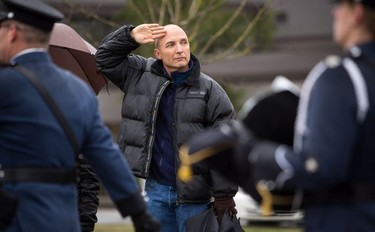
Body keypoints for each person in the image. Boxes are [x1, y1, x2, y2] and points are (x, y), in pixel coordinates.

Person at [182, 0, 375, 231]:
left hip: (348, 220)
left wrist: (252, 153)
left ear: (357, 13)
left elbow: (320, 169)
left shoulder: (341, 76)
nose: (334, 11)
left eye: (340, 4)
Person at [0, 0, 160, 231]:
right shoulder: (78, 90)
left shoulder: (6, 84)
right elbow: (106, 155)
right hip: (65, 219)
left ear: (12, 32)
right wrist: (138, 211)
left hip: (16, 217)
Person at [95, 23, 238, 232]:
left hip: (196, 196)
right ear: (158, 53)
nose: (180, 49)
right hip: (156, 193)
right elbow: (104, 59)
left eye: (184, 43)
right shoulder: (139, 75)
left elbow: (225, 144)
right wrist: (130, 36)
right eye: (170, 44)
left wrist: (224, 194)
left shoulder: (211, 91)